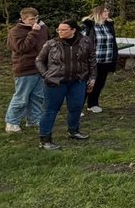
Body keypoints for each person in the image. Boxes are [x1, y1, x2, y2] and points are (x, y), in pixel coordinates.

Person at [36, 19, 95, 150]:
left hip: (78, 81)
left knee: (76, 107)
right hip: (55, 82)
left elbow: (92, 59)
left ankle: (73, 131)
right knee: (50, 110)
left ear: (73, 30)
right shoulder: (51, 43)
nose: (60, 32)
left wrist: (92, 77)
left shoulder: (86, 42)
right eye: (59, 30)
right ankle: (45, 139)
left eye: (64, 30)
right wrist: (46, 75)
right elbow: (39, 60)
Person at [5, 7, 48, 132]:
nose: (35, 21)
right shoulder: (15, 32)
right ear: (23, 19)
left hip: (41, 68)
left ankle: (33, 120)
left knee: (38, 97)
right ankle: (12, 122)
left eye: (36, 18)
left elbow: (48, 44)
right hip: (25, 69)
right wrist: (34, 32)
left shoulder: (43, 28)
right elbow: (22, 48)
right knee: (21, 98)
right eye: (31, 19)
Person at [80, 5, 119, 113]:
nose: (107, 13)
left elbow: (112, 42)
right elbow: (81, 41)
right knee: (88, 83)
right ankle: (78, 107)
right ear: (98, 13)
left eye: (107, 11)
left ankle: (93, 104)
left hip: (106, 59)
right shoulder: (89, 26)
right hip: (92, 60)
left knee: (99, 83)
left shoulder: (109, 25)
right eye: (104, 11)